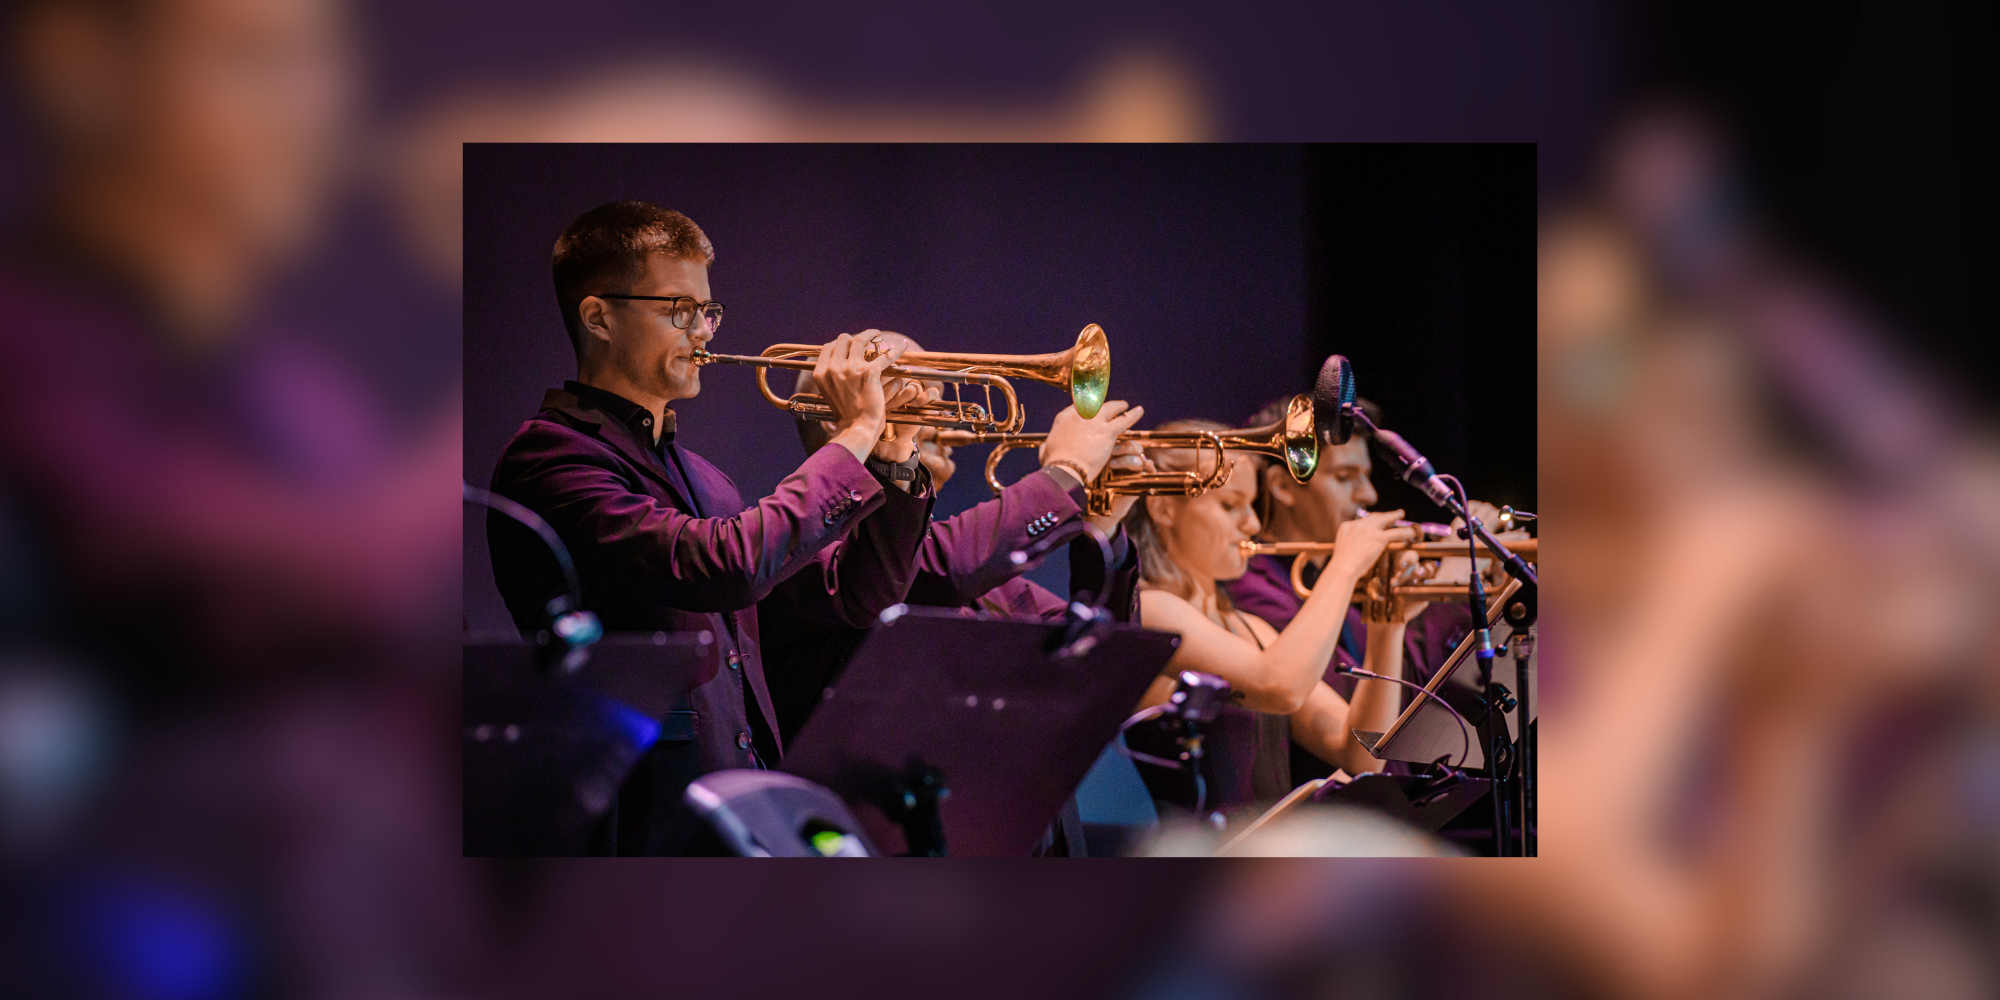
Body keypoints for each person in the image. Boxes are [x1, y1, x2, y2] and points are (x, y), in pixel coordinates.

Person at [486, 201, 938, 851]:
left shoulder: (709, 479)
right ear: (598, 317)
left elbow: (858, 595)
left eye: (707, 311)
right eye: (679, 310)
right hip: (637, 827)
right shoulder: (551, 458)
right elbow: (722, 566)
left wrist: (893, 457)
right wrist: (858, 433)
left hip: (743, 820)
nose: (704, 332)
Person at [1119, 420, 1419, 821]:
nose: (1254, 525)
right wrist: (1344, 566)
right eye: (1230, 505)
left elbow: (1361, 752)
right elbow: (1279, 686)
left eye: (1252, 505)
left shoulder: (1252, 629)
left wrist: (1388, 624)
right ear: (1164, 508)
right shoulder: (1151, 610)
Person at [1222, 396, 1521, 784]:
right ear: (1282, 487)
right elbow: (1368, 694)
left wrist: (1477, 587)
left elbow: (1408, 679)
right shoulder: (1249, 588)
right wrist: (1454, 575)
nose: (1368, 495)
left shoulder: (1333, 578)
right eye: (1345, 478)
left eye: (1365, 476)